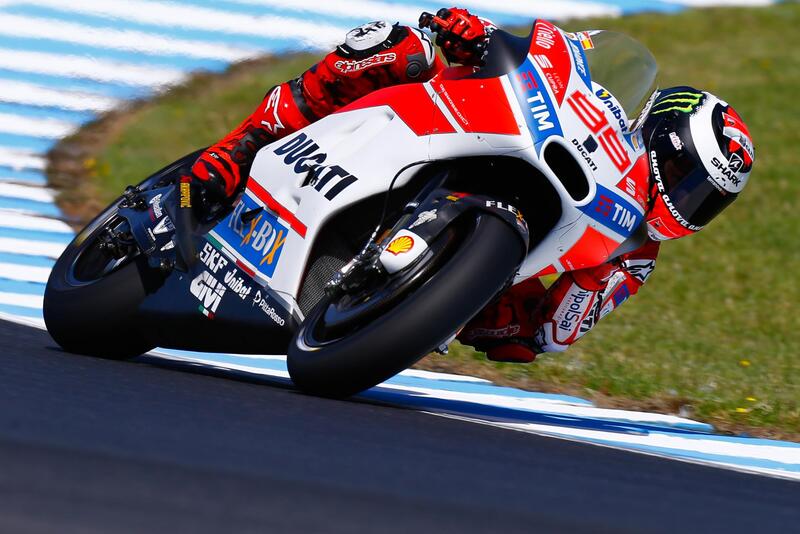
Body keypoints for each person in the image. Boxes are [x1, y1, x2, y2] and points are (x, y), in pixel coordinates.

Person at [186, 8, 755, 364]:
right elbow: (553, 54)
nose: (684, 202)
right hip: (469, 120)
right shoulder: (601, 103)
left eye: (705, 198)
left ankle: (393, 284)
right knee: (396, 46)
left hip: (486, 263)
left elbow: (551, 333)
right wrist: (477, 36)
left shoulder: (634, 254)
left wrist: (507, 319)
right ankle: (242, 144)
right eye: (684, 178)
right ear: (654, 132)